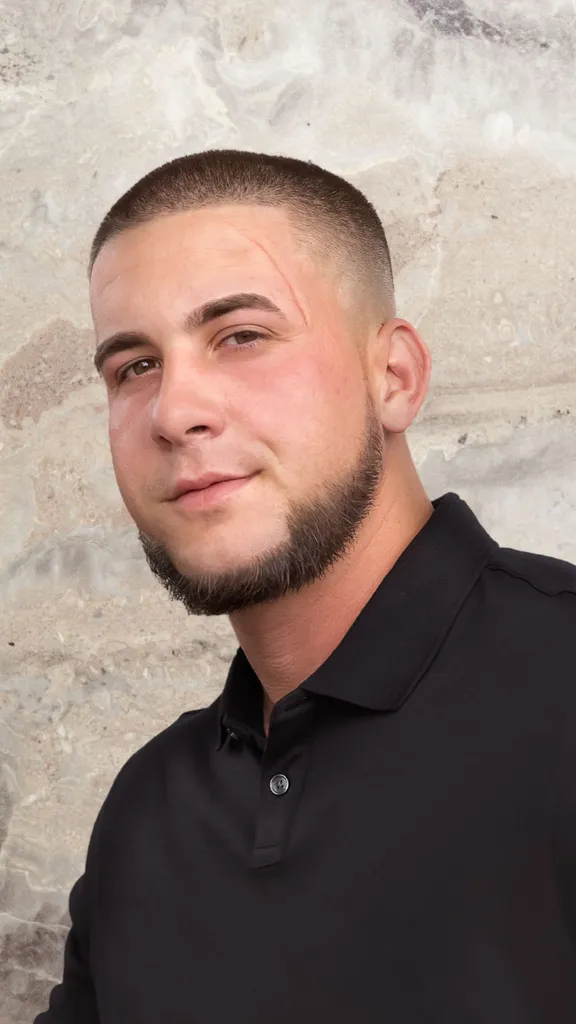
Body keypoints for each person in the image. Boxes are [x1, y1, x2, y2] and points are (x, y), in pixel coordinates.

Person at [36, 150, 576, 1024]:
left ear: (393, 377)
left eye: (240, 336)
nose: (175, 412)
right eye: (133, 366)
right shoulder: (149, 813)